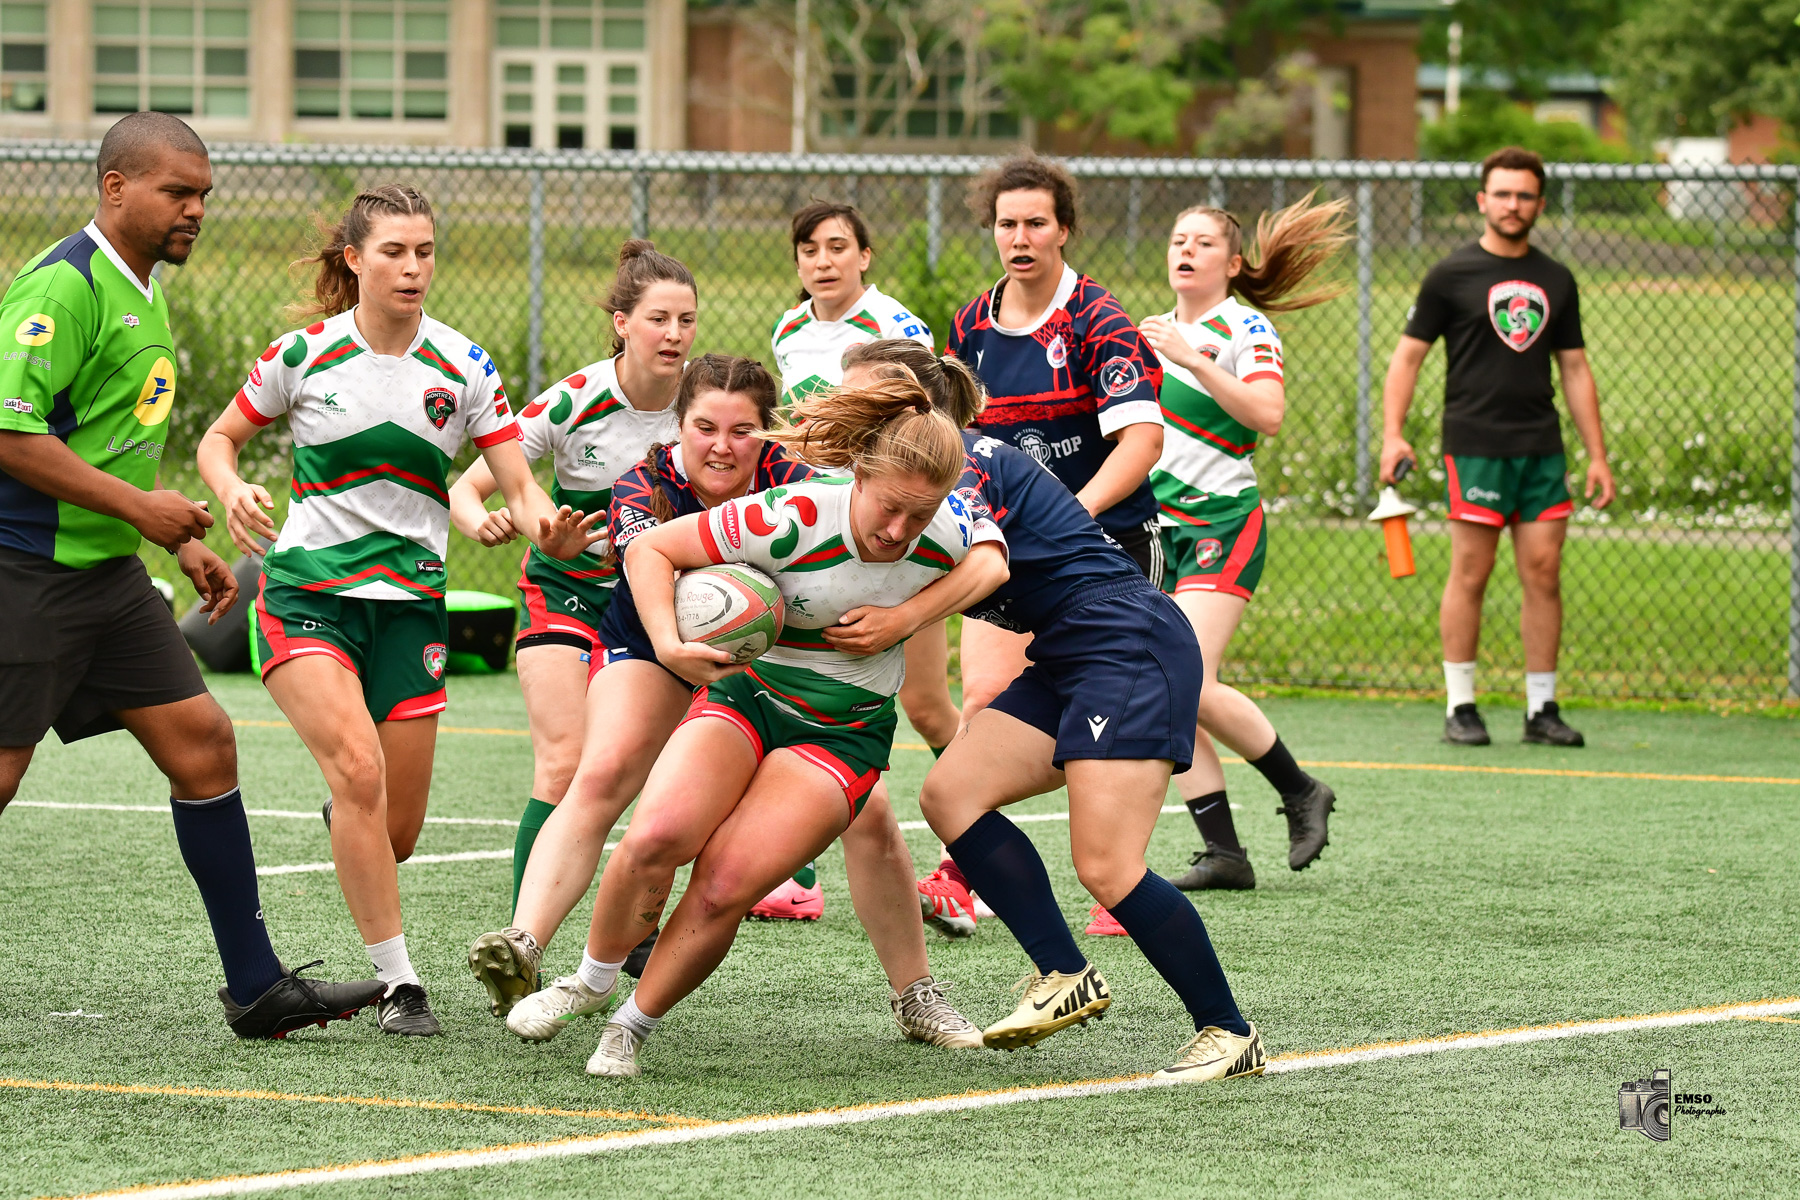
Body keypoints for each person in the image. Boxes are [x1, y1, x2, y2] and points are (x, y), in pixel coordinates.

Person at [0, 111, 385, 1039]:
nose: (196, 209)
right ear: (116, 188)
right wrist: (144, 514)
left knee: (206, 746)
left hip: (107, 581)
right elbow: (11, 436)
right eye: (178, 191)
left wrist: (174, 538)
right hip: (23, 575)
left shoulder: (143, 289)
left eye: (205, 194)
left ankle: (255, 988)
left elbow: (104, 440)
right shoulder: (64, 284)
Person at [477, 357, 986, 1054]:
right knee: (634, 808)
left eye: (741, 430)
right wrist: (671, 641)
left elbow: (993, 562)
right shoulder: (781, 512)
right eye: (705, 427)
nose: (898, 531)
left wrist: (906, 619)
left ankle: (911, 993)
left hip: (836, 723)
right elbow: (648, 552)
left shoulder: (934, 516)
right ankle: (564, 964)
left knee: (756, 867)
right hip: (706, 667)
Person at [197, 184, 597, 1036]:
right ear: (355, 258)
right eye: (393, 252)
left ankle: (353, 822)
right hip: (307, 596)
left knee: (398, 829)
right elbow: (217, 438)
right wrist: (231, 488)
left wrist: (547, 531)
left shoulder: (465, 366)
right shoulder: (303, 355)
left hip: (412, 607)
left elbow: (519, 489)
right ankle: (400, 984)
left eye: (424, 251)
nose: (412, 267)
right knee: (360, 774)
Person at [837, 341, 1263, 1081]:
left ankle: (1229, 1033)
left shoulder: (962, 458)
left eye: (861, 401)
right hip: (1070, 651)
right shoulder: (905, 477)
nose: (848, 415)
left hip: (1123, 641)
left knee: (1105, 863)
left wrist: (897, 620)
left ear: (912, 407)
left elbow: (986, 566)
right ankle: (1064, 973)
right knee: (950, 793)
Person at [924, 153, 1164, 936]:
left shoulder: (1098, 318)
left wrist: (1074, 514)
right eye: (1006, 223)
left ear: (1064, 229)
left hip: (1111, 548)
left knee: (1111, 716)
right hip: (1010, 555)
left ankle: (1120, 878)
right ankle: (965, 878)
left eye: (1035, 222)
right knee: (987, 701)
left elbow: (1141, 441)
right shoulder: (969, 325)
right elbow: (958, 443)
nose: (1020, 237)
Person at [449, 239, 696, 925]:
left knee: (661, 782)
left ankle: (636, 932)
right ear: (622, 322)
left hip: (664, 610)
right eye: (658, 319)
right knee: (563, 765)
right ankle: (520, 944)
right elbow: (469, 490)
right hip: (566, 593)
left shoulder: (705, 408)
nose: (673, 335)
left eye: (686, 321)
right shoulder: (575, 399)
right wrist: (492, 526)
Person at [1135, 195, 1349, 891]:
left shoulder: (1241, 326)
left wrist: (1192, 359)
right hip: (1159, 528)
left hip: (1222, 519)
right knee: (1169, 684)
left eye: (1202, 242)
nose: (1185, 249)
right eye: (1177, 237)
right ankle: (1224, 852)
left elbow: (1268, 413)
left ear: (1230, 263)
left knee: (1190, 673)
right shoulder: (1155, 330)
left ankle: (1299, 789)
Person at [1379, 146, 1614, 747]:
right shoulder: (1449, 276)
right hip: (1475, 445)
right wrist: (1393, 433)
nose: (1514, 205)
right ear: (1483, 201)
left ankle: (1542, 709)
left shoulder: (1557, 279)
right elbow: (1408, 357)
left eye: (1525, 195)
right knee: (1472, 571)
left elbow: (1577, 368)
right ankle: (1462, 705)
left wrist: (1598, 455)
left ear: (1540, 202)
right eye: (1503, 194)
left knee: (1544, 572)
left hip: (1542, 447)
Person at [758, 199, 955, 918]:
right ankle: (796, 878)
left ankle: (970, 852)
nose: (823, 260)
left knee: (927, 702)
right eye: (809, 248)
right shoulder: (788, 327)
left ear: (865, 256)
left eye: (838, 246)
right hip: (818, 537)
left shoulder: (897, 329)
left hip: (891, 536)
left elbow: (928, 438)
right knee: (785, 684)